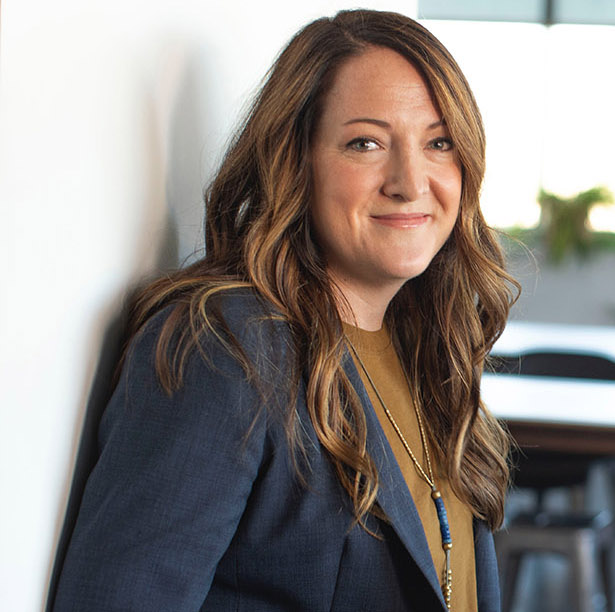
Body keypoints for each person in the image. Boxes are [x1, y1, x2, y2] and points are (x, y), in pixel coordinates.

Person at [52, 9, 517, 612]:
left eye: (439, 142)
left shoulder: (430, 352)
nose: (410, 179)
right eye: (365, 143)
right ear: (296, 161)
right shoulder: (223, 349)